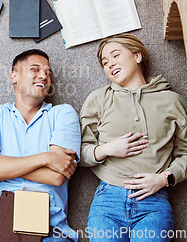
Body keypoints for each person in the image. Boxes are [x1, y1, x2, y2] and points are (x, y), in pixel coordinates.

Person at [0, 49, 81, 241]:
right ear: (14, 76)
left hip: (49, 223)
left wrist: (0, 165)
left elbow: (57, 176)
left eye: (48, 73)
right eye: (35, 69)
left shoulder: (63, 114)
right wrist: (46, 157)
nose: (43, 75)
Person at [80, 34, 187, 241]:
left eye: (116, 55)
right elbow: (78, 153)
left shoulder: (173, 101)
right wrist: (107, 149)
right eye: (105, 62)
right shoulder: (98, 99)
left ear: (137, 56)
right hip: (107, 200)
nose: (110, 64)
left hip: (153, 200)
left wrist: (165, 178)